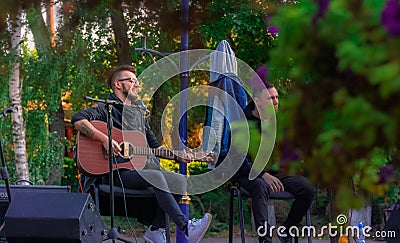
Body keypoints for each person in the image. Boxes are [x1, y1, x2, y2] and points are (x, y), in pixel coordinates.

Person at [72, 65, 212, 243]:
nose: (137, 85)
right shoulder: (104, 109)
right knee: (156, 177)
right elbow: (78, 119)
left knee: (179, 180)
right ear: (117, 84)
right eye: (132, 81)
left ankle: (156, 229)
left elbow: (155, 147)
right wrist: (104, 139)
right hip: (111, 173)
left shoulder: (139, 115)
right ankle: (186, 227)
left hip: (134, 172)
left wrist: (178, 155)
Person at [232, 68, 315, 243]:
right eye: (271, 99)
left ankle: (286, 229)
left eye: (277, 98)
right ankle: (265, 240)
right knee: (260, 186)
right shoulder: (242, 123)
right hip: (250, 175)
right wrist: (263, 174)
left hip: (278, 174)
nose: (276, 102)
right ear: (257, 101)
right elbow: (239, 160)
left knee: (307, 188)